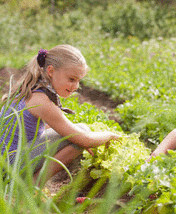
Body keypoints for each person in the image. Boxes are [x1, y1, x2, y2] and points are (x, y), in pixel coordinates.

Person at [0, 44, 120, 183]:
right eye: (71, 79)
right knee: (81, 133)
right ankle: (30, 186)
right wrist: (109, 135)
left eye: (78, 80)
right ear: (50, 71)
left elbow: (40, 130)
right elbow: (84, 138)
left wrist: (79, 136)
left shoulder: (32, 90)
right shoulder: (41, 101)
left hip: (6, 160)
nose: (75, 86)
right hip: (9, 166)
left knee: (76, 131)